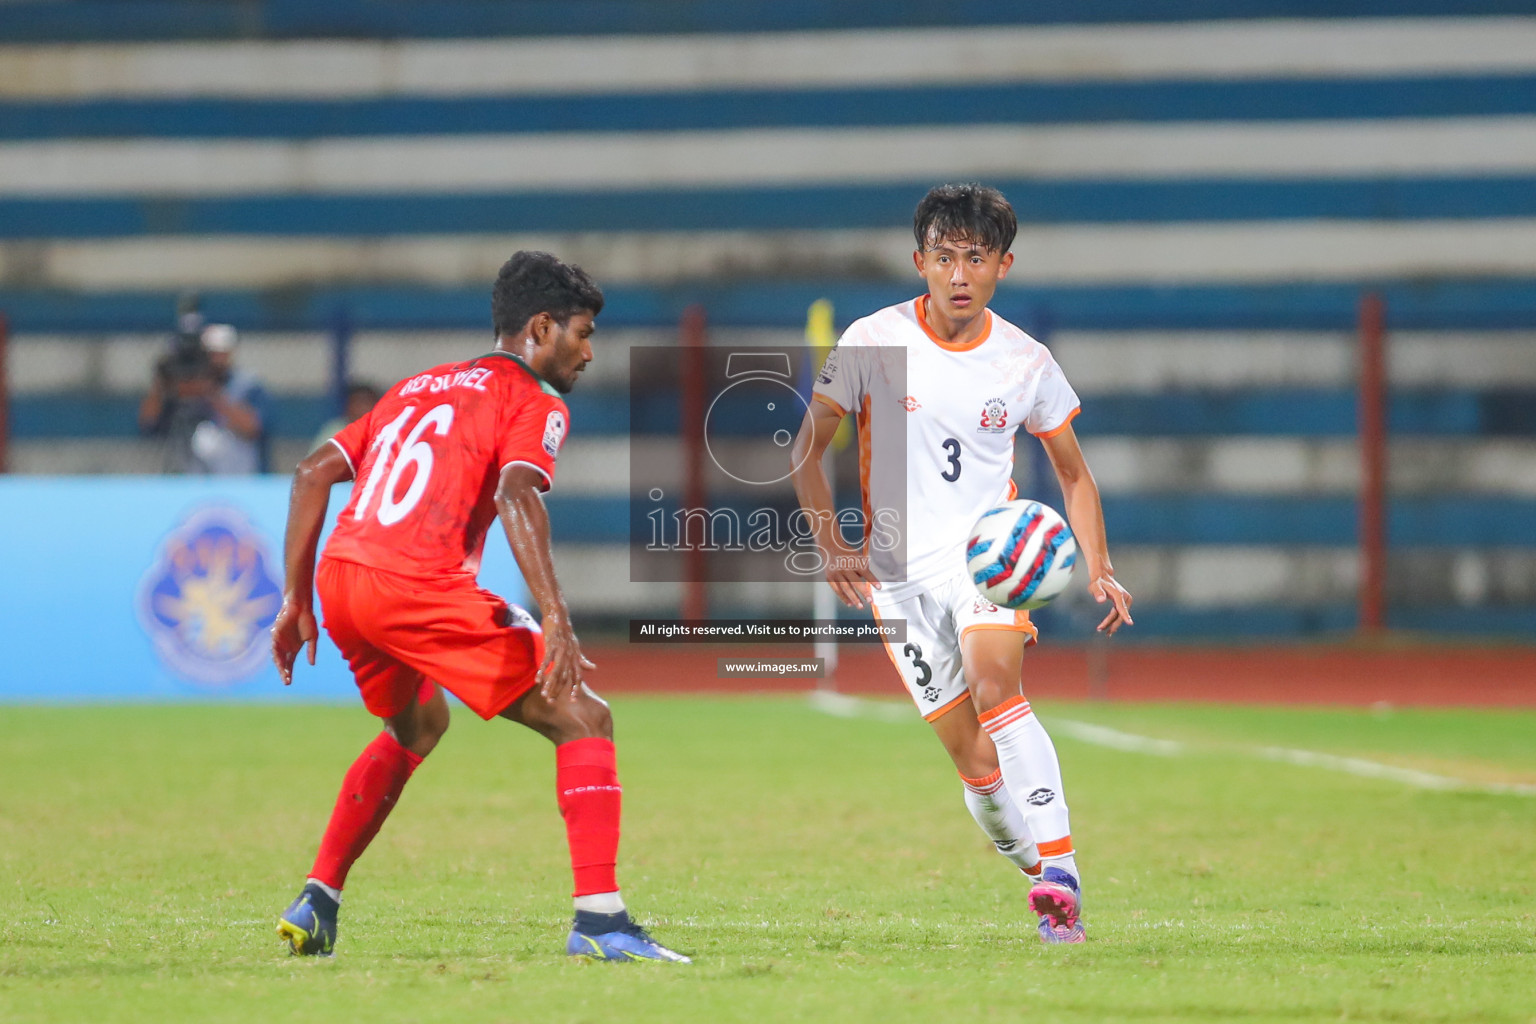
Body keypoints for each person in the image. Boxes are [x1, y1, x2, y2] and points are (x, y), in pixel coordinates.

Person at [269, 251, 688, 963]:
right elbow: (517, 494)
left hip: (345, 579)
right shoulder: (533, 400)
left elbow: (312, 473)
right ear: (540, 328)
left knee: (417, 723)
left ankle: (317, 897)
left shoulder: (414, 386)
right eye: (582, 334)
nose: (588, 353)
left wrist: (294, 600)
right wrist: (556, 614)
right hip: (414, 584)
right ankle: (601, 921)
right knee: (584, 713)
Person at [790, 183, 1134, 944]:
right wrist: (831, 542)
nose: (957, 274)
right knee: (975, 764)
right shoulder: (872, 340)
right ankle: (1039, 876)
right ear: (919, 261)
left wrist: (1101, 564)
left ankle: (1064, 872)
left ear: (1002, 266)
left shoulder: (1025, 361)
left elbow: (1075, 473)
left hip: (986, 560)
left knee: (995, 684)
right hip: (897, 577)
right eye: (943, 257)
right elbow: (807, 449)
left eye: (974, 258)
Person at [139, 317, 269, 474]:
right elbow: (147, 422)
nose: (213, 359)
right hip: (186, 478)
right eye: (208, 354)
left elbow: (252, 428)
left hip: (236, 479)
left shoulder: (245, 385)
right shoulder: (174, 390)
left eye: (218, 353)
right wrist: (163, 383)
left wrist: (210, 393)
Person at [310, 381, 383, 453]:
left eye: (366, 403)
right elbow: (314, 462)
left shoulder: (384, 432)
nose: (361, 409)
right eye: (357, 404)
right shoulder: (334, 430)